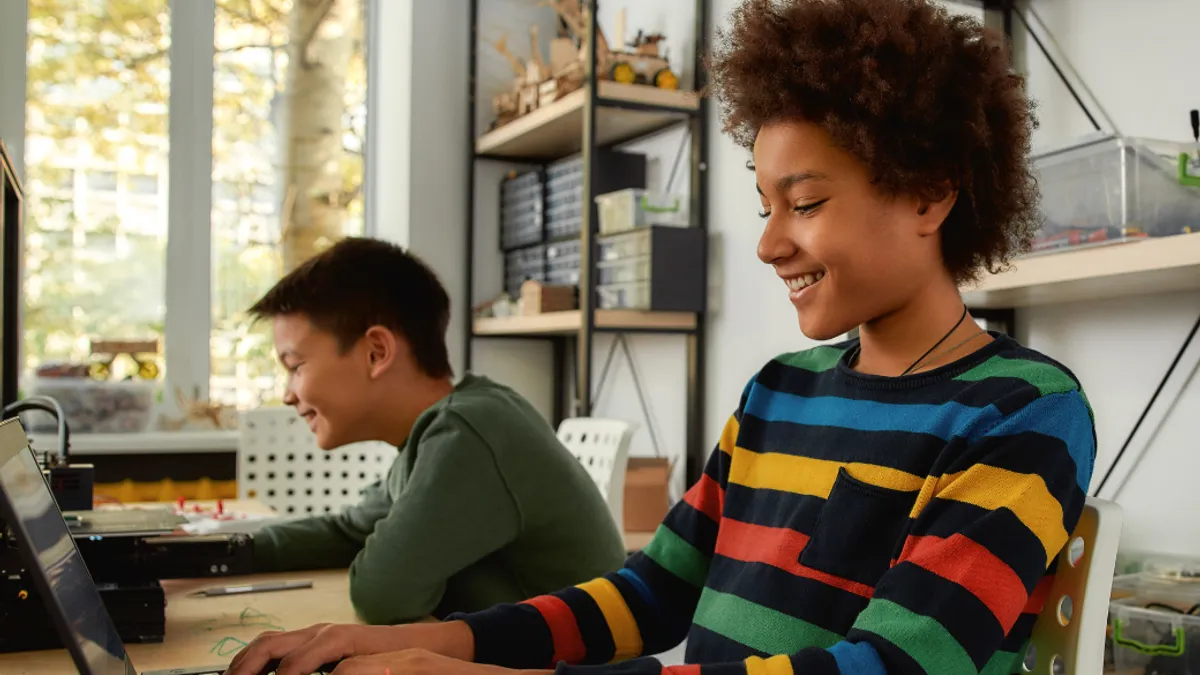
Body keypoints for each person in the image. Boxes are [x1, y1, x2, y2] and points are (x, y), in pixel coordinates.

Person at [224, 0, 1097, 673]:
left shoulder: (1020, 410)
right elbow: (654, 589)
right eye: (766, 207)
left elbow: (892, 665)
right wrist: (419, 642)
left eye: (807, 202)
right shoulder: (778, 390)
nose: (768, 242)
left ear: (929, 194)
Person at [243, 236, 628, 626]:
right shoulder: (433, 436)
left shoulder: (470, 432)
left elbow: (382, 594)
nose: (287, 394)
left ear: (376, 352)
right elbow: (349, 531)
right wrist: (224, 551)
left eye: (295, 366)